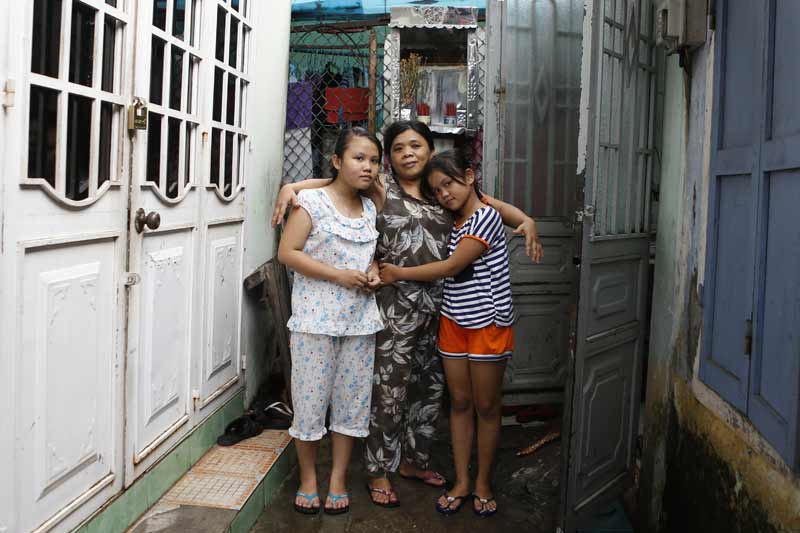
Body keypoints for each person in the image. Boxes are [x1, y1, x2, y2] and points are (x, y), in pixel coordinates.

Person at [272, 120, 543, 508]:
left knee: (430, 388)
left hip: (444, 306)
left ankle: (414, 461)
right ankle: (379, 469)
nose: (408, 154)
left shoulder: (443, 190)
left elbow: (494, 207)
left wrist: (526, 221)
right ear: (389, 160)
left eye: (415, 145)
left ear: (430, 150)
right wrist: (292, 187)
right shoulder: (383, 189)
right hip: (393, 306)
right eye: (397, 149)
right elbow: (338, 180)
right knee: (389, 390)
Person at [379, 150, 518, 517]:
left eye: (449, 184)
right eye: (437, 190)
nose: (444, 194)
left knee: (486, 407)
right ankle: (461, 481)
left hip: (488, 324)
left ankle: (483, 482)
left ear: (470, 177)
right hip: (453, 323)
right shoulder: (455, 222)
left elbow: (454, 266)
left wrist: (399, 273)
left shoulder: (485, 218)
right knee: (459, 405)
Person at [277, 127, 384, 515]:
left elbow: (368, 255)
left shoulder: (371, 207)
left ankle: (337, 477)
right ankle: (309, 477)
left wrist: (371, 271)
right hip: (314, 322)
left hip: (359, 322)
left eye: (374, 160)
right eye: (358, 158)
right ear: (337, 161)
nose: (368, 167)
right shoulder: (312, 202)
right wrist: (338, 275)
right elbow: (287, 253)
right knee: (309, 402)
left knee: (351, 404)